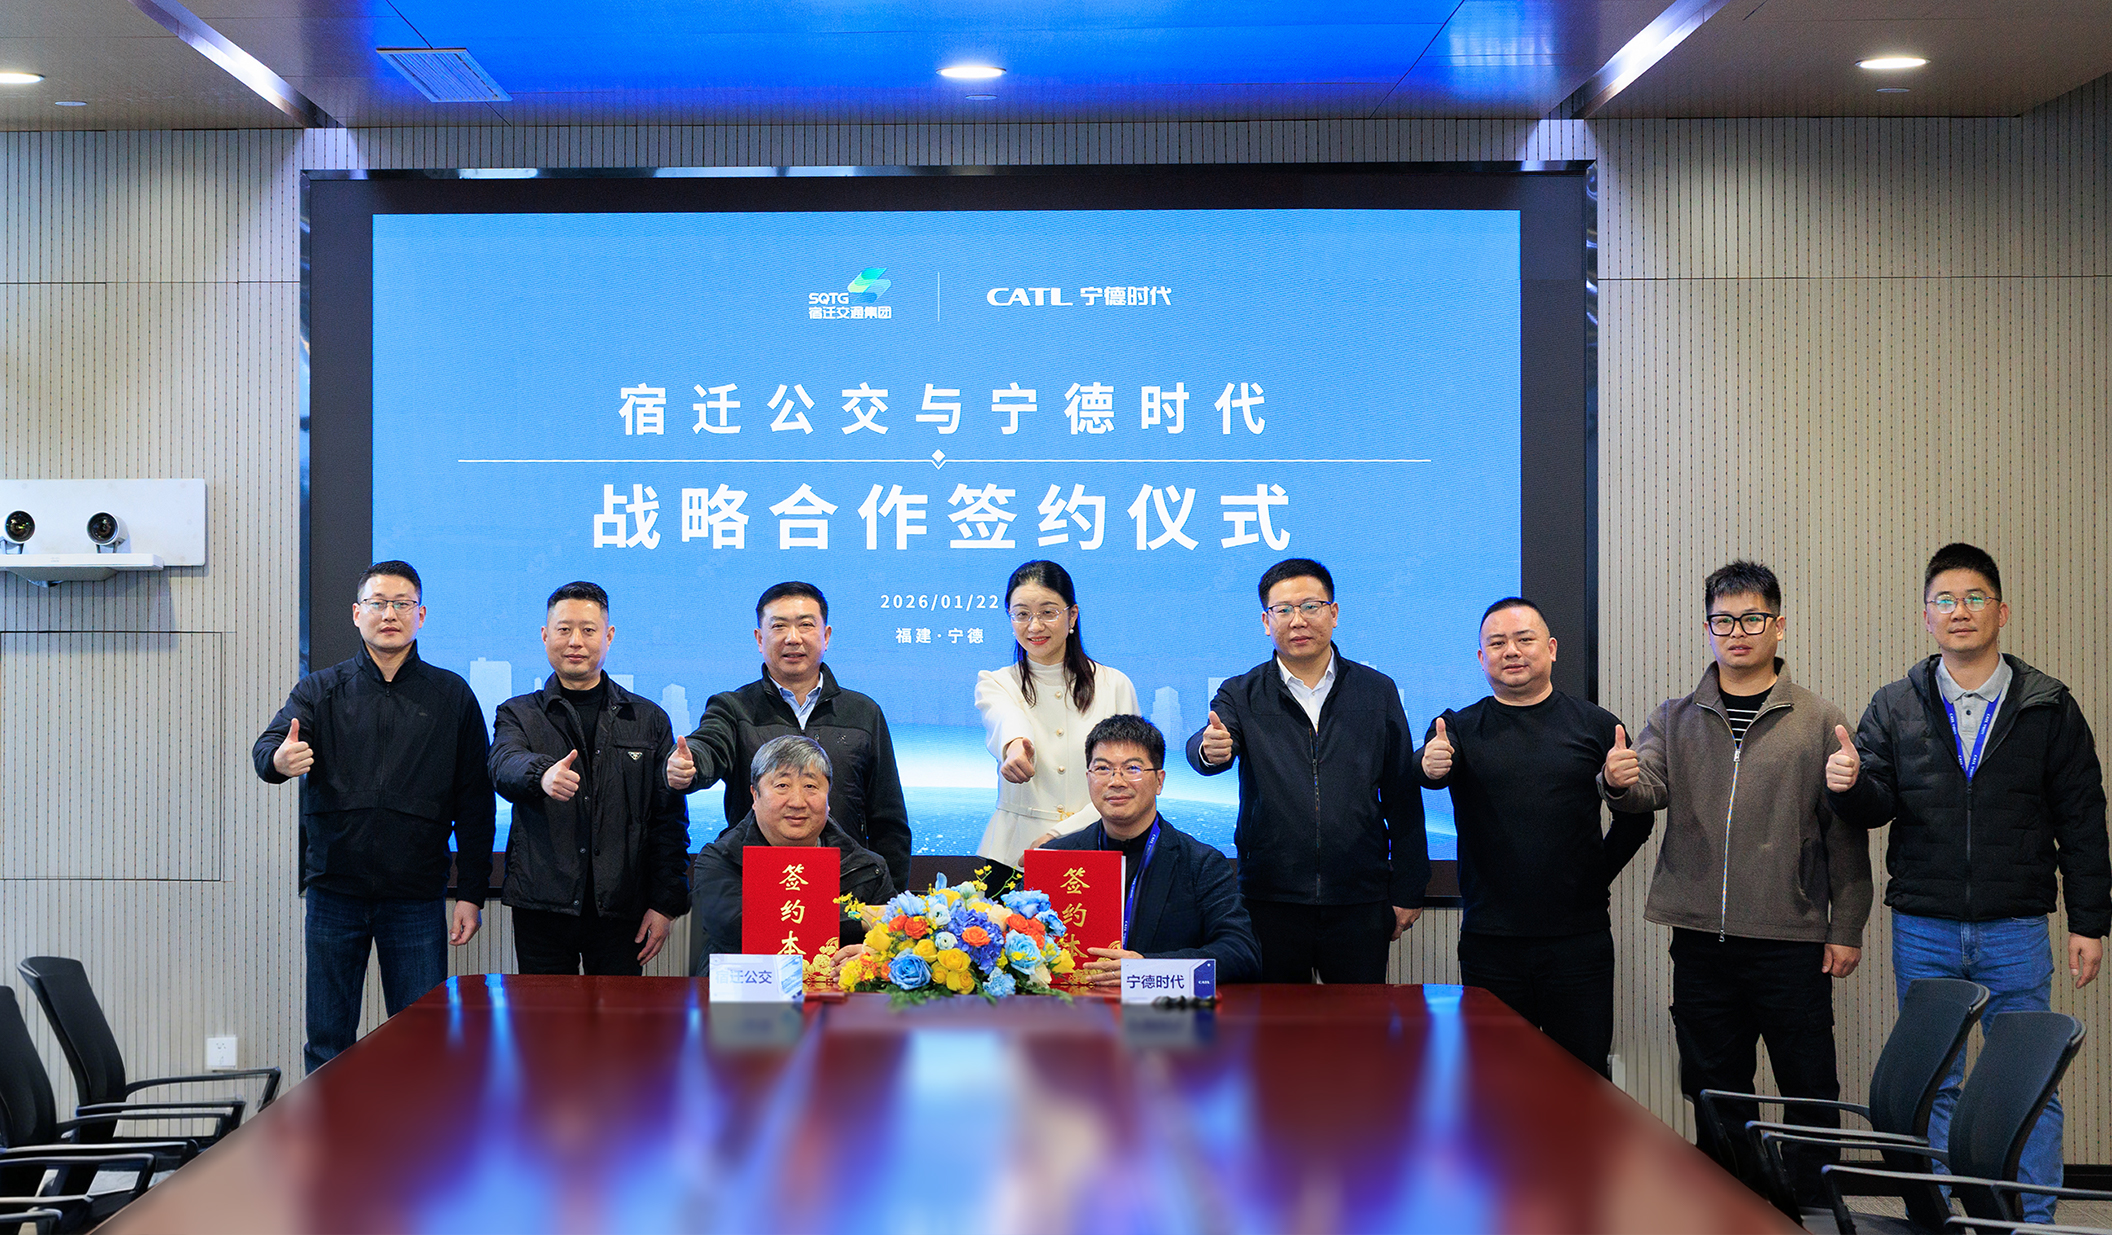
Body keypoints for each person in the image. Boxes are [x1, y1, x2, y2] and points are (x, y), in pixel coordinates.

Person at [1827, 543, 2109, 1223]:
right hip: (1923, 924)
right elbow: (1874, 804)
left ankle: (2032, 1222)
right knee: (1936, 1083)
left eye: (1975, 597)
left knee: (2029, 1082)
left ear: (2001, 612)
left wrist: (2089, 920)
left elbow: (2082, 816)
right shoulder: (1896, 704)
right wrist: (1850, 784)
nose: (1961, 611)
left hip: (2017, 927)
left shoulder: (2048, 705)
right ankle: (1944, 1219)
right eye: (1946, 600)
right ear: (1927, 616)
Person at [1599, 559, 1871, 1198]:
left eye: (1752, 619)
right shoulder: (1675, 717)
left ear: (1779, 626)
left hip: (1790, 939)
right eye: (1723, 621)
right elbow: (1647, 787)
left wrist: (1847, 926)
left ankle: (1810, 1209)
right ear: (1708, 629)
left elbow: (1844, 836)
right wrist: (1616, 781)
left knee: (1809, 1087)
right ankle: (1731, 1205)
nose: (1737, 632)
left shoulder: (1819, 719)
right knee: (1714, 1089)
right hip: (1701, 940)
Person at [252, 560, 494, 1073]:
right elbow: (267, 748)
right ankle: (331, 1127)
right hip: (335, 892)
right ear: (356, 613)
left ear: (420, 615)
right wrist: (278, 759)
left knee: (423, 1041)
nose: (390, 614)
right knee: (328, 1040)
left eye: (402, 604)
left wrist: (472, 891)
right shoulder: (320, 690)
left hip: (415, 897)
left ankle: (418, 1128)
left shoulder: (452, 696)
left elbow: (476, 803)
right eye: (378, 603)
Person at [1415, 597, 1654, 1077]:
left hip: (1578, 941)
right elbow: (1429, 770)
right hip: (1489, 941)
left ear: (1552, 648)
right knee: (1495, 1081)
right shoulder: (1457, 727)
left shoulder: (1597, 726)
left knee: (1582, 1080)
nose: (1511, 651)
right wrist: (1427, 765)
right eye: (1497, 643)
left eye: (1524, 639)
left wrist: (1592, 876)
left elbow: (1637, 820)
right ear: (1481, 657)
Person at [1184, 557, 1426, 983]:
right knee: (1274, 1021)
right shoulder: (1241, 692)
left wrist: (1409, 887)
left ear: (1334, 613)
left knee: (1358, 1020)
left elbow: (1402, 794)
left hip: (1359, 898)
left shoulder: (1376, 691)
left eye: (1311, 606)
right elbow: (1206, 745)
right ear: (1266, 621)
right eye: (1283, 609)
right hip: (1270, 899)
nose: (1298, 620)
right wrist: (1209, 750)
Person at [487, 581, 691, 976]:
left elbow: (668, 820)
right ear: (545, 635)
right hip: (542, 907)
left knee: (620, 1017)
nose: (575, 641)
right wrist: (542, 775)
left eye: (588, 630)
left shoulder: (647, 718)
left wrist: (665, 903)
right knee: (545, 1015)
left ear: (608, 636)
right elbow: (503, 763)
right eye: (564, 629)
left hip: (622, 908)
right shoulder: (518, 713)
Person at [666, 582, 911, 891]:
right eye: (779, 626)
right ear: (759, 638)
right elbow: (709, 746)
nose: (792, 638)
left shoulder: (863, 712)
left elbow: (888, 820)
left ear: (826, 636)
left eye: (805, 625)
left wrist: (890, 905)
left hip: (844, 888)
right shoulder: (733, 707)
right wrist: (691, 766)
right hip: (752, 886)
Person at [1043, 715, 1261, 984]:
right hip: (1073, 1007)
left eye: (1132, 768)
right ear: (1088, 777)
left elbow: (1241, 954)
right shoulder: (1054, 858)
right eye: (1102, 768)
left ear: (1159, 781)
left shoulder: (1201, 863)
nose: (1116, 781)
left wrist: (1150, 968)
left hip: (1161, 1007)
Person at [974, 560, 1141, 868]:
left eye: (1048, 612)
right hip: (1015, 853)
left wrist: (1060, 835)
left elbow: (1129, 775)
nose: (1034, 626)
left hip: (1097, 845)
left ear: (1072, 615)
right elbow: (1005, 717)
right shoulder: (997, 682)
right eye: (1021, 614)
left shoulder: (1114, 684)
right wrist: (1015, 748)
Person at [688, 734, 896, 967]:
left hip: (839, 988)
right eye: (782, 786)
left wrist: (872, 958)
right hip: (745, 985)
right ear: (755, 795)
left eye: (810, 786)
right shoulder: (720, 859)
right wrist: (861, 917)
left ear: (828, 798)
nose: (797, 802)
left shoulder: (868, 868)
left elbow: (892, 944)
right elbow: (737, 928)